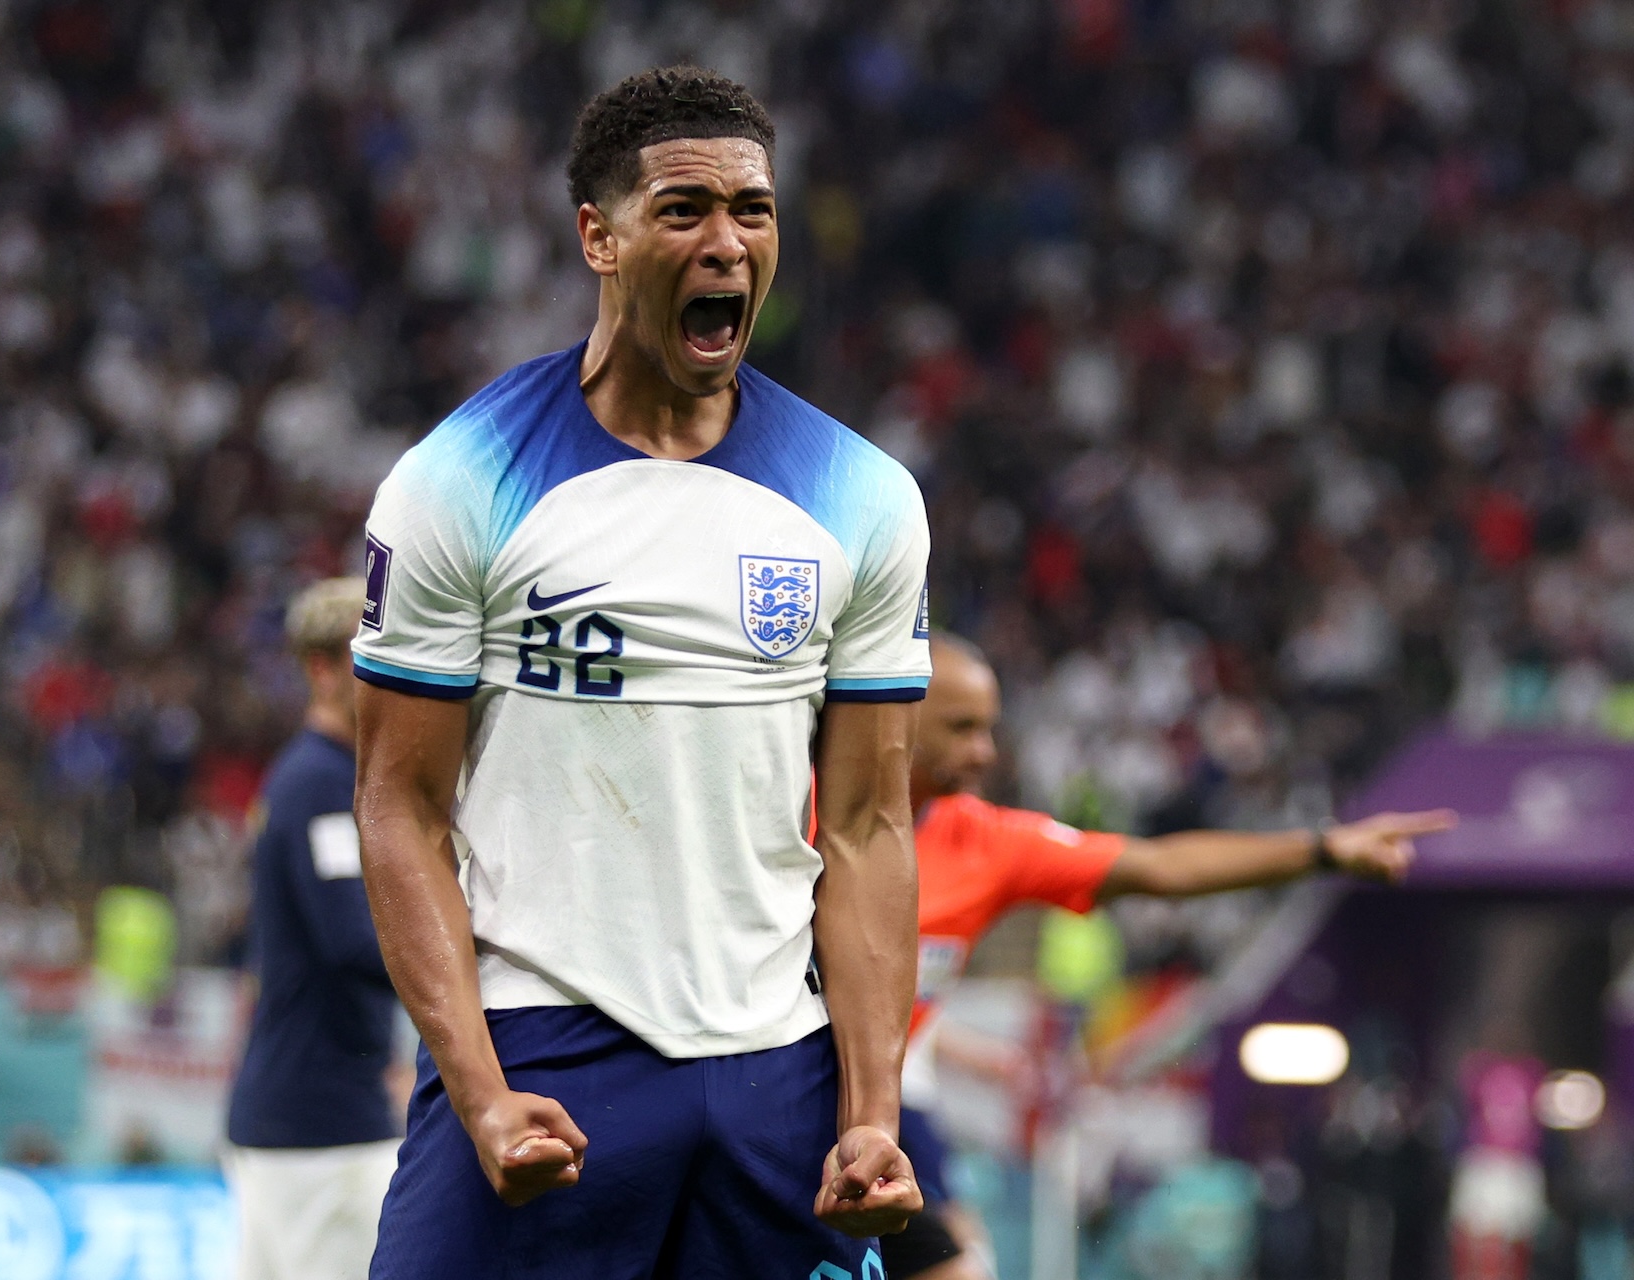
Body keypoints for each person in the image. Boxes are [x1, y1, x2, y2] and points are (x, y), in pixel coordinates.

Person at [353, 65, 930, 1278]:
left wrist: (871, 1108)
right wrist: (479, 1089)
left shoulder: (865, 497)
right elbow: (398, 806)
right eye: (684, 211)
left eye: (753, 210)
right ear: (598, 236)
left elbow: (873, 827)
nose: (727, 242)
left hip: (780, 1067)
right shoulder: (458, 480)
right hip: (543, 1050)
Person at [881, 633, 1456, 1280]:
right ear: (895, 717)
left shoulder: (984, 842)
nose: (985, 752)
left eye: (989, 730)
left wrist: (1321, 850)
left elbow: (1162, 865)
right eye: (962, 729)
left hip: (882, 1107)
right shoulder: (796, 818)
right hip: (780, 1100)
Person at [225, 579, 402, 1280]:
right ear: (320, 669)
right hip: (320, 1124)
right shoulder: (319, 786)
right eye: (368, 658)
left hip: (300, 1112)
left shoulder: (322, 780)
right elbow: (355, 941)